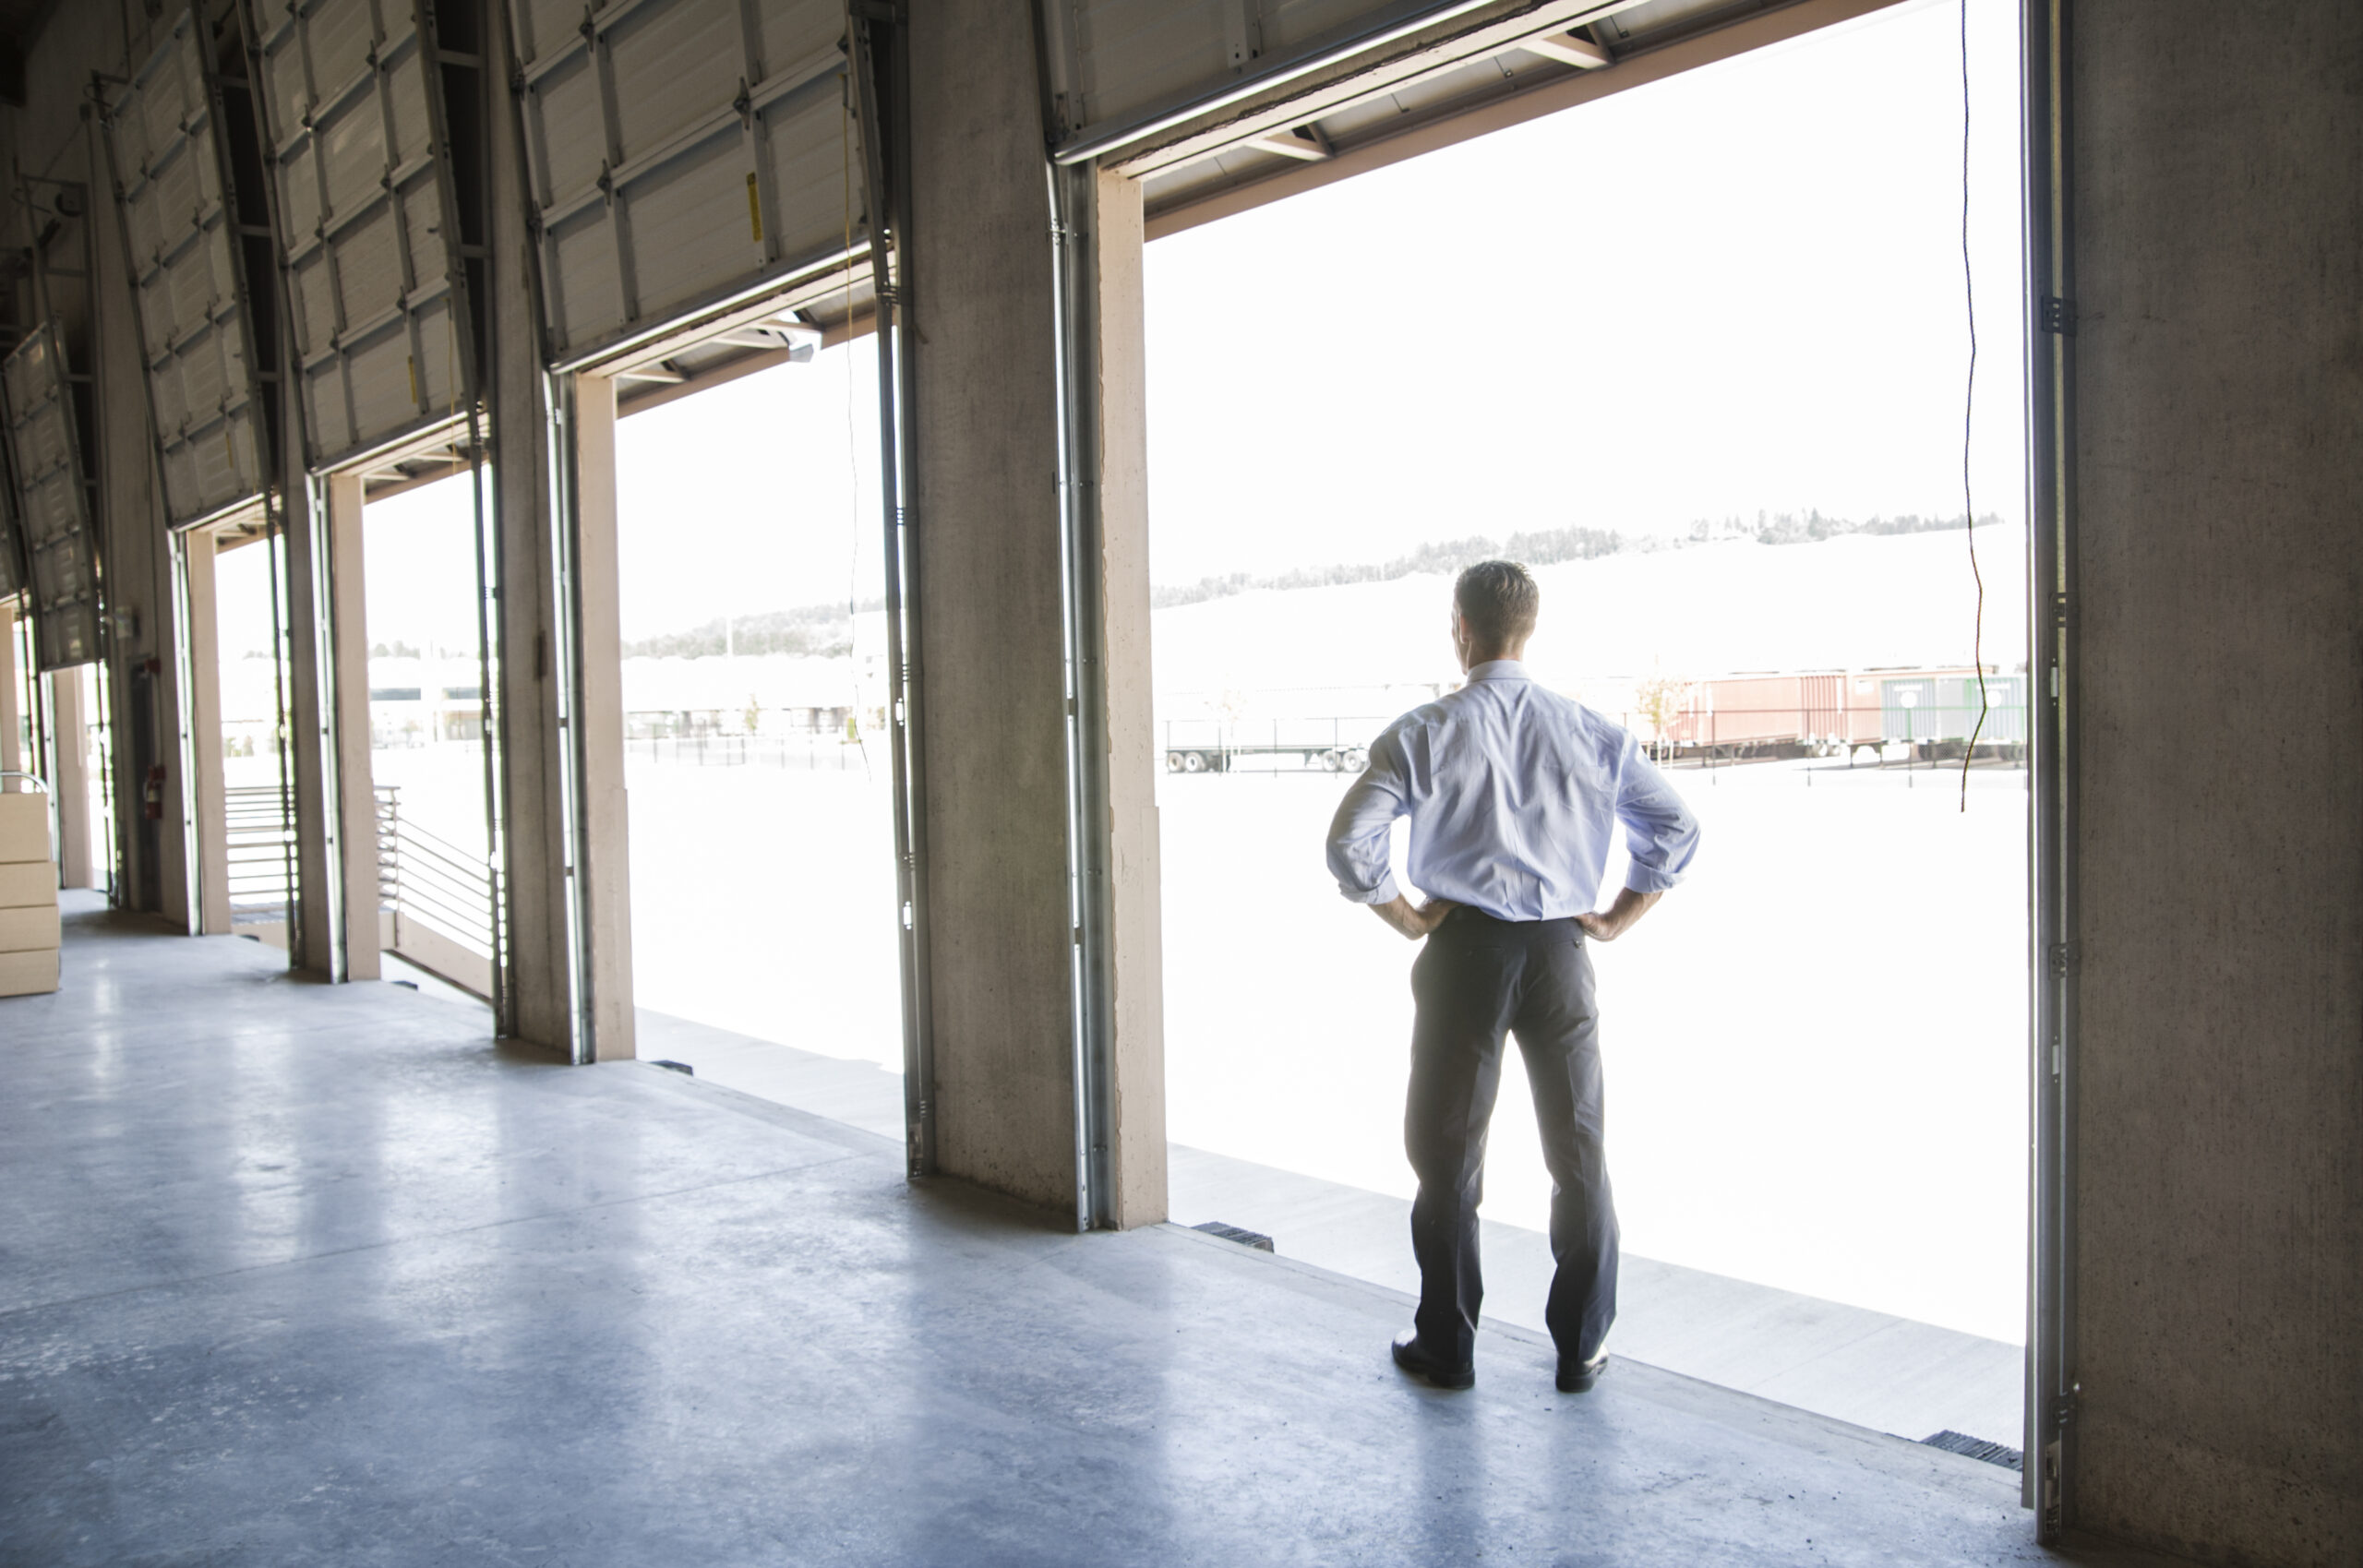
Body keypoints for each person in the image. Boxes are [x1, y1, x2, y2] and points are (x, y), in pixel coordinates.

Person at [1325, 560, 1699, 1394]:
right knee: (1579, 1150)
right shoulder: (1591, 731)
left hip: (1465, 955)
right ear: (1528, 630)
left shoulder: (1424, 731)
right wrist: (1617, 915)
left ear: (1460, 628)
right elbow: (1676, 825)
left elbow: (1350, 842)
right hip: (1561, 955)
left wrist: (1408, 917)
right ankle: (1581, 1347)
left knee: (1448, 1155)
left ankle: (1447, 1345)